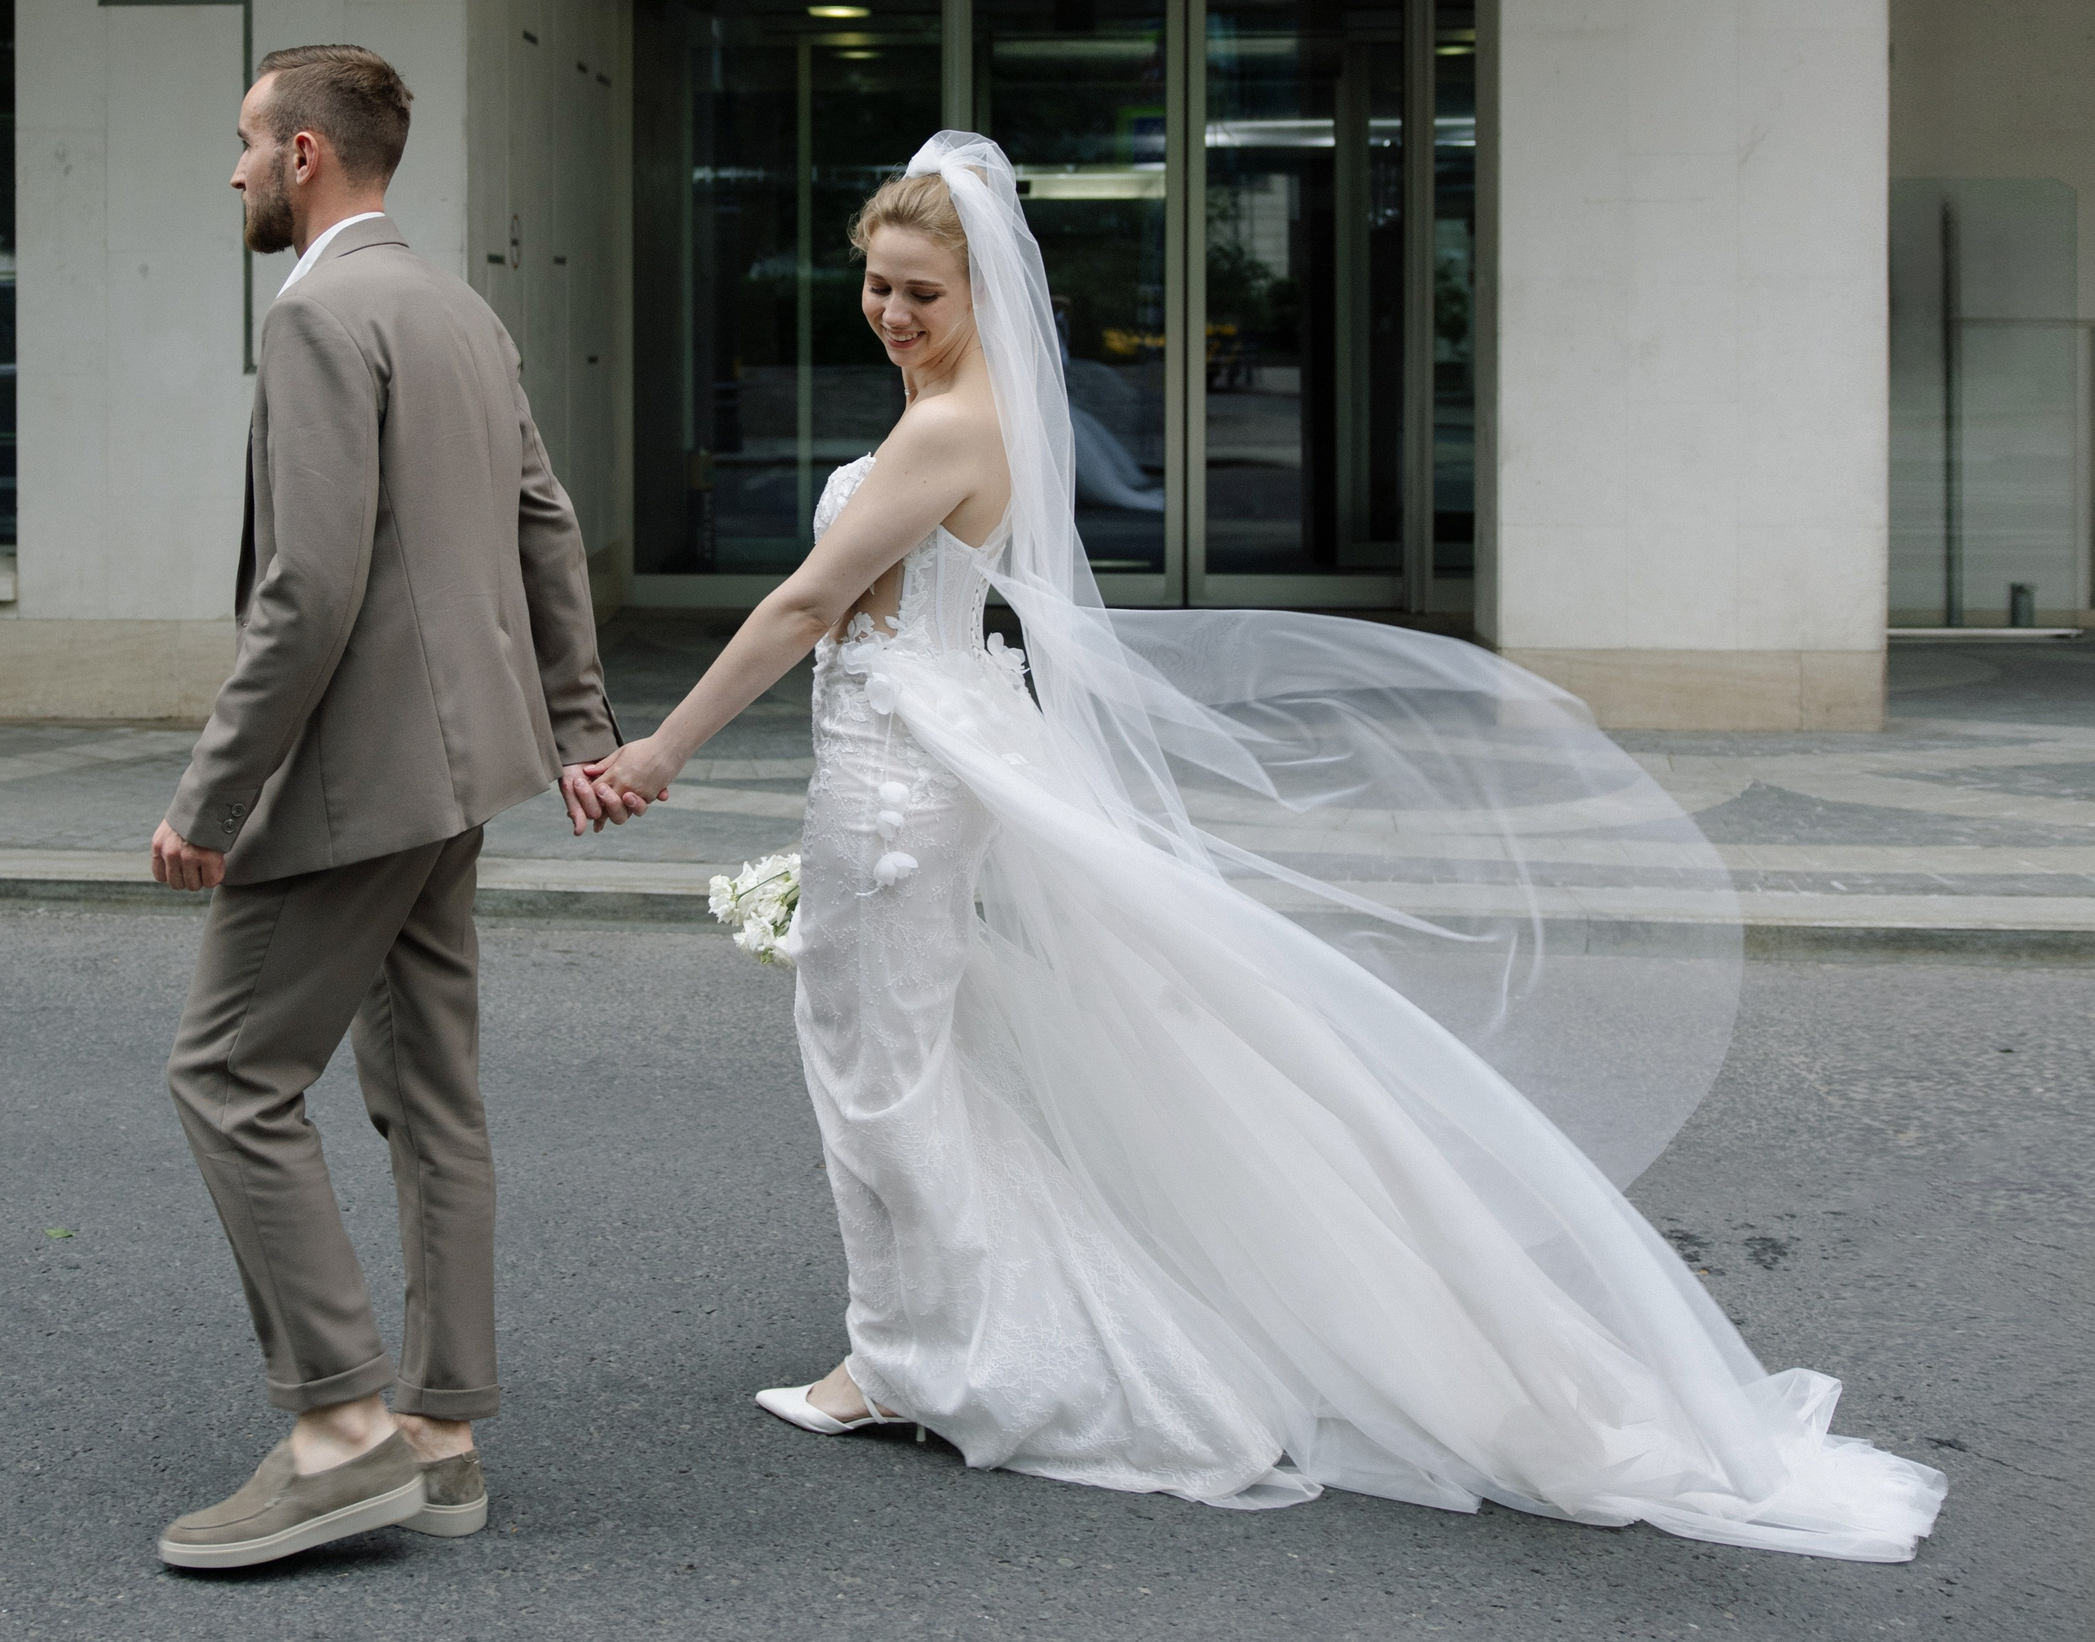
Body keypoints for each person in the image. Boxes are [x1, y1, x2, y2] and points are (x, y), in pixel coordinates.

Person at [580, 132, 1948, 1562]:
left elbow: (810, 606)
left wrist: (664, 750)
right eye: (875, 286)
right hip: (915, 771)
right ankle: (923, 1337)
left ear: (986, 293)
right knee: (913, 1068)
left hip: (894, 800)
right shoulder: (971, 415)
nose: (893, 315)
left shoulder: (944, 431)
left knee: (879, 1081)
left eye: (922, 291)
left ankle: (926, 1362)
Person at [148, 45, 634, 1570]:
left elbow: (305, 596)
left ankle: (340, 1431)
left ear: (306, 155)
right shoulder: (460, 309)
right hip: (466, 764)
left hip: (359, 780)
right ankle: (440, 1434)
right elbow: (545, 522)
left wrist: (211, 796)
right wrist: (570, 722)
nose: (230, 170)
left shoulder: (320, 315)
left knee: (227, 1075)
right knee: (432, 1095)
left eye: (243, 142)